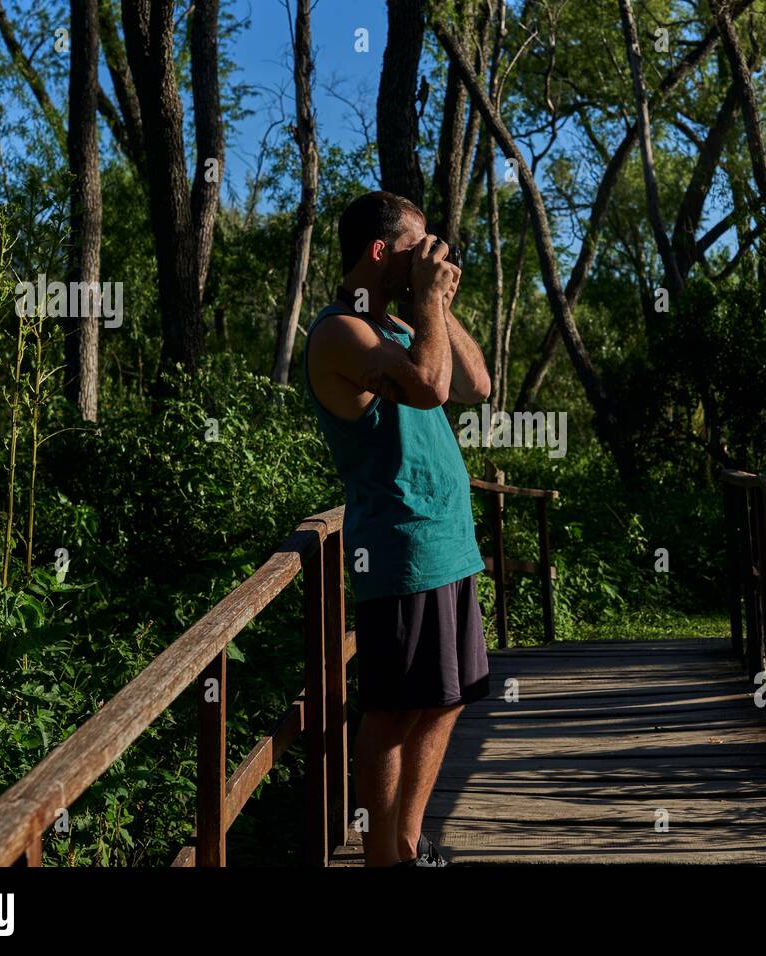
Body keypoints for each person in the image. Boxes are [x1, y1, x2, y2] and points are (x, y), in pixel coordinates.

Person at [302, 191, 492, 867]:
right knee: (390, 711)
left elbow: (476, 384)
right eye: (415, 248)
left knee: (448, 699)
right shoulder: (341, 332)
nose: (428, 258)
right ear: (380, 254)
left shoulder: (406, 325)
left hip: (447, 544)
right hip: (399, 546)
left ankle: (409, 840)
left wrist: (435, 300)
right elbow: (429, 389)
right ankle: (383, 856)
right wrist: (425, 302)